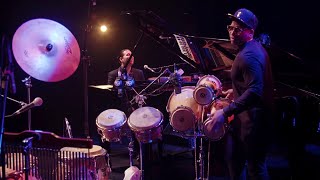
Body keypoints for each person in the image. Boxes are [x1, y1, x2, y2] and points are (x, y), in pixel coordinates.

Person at [206, 8, 274, 180]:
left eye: (238, 29)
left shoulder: (249, 56)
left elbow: (255, 91)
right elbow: (249, 85)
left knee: (255, 169)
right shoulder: (249, 49)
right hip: (245, 121)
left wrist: (225, 112)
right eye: (230, 27)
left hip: (254, 124)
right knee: (234, 160)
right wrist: (235, 91)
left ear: (250, 32)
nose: (232, 32)